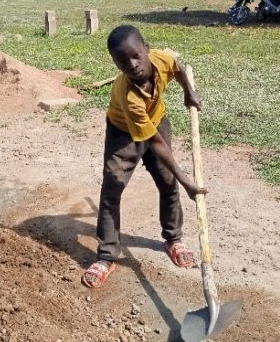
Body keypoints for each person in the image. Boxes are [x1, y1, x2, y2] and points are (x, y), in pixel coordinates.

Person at [82, 24, 208, 288]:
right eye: (123, 61)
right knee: (112, 188)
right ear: (115, 64)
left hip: (157, 121)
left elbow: (178, 68)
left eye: (136, 55)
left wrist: (189, 92)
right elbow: (156, 143)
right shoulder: (129, 96)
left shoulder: (161, 60)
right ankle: (107, 256)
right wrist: (186, 180)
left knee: (167, 181)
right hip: (123, 133)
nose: (133, 65)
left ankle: (173, 239)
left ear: (147, 49)